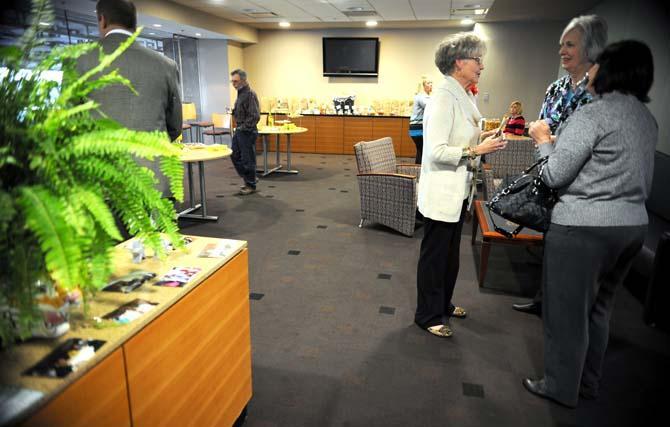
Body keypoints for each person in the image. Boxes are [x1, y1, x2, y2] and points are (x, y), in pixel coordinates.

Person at [523, 40, 657, 408]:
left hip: (584, 227)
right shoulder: (646, 119)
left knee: (566, 313)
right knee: (600, 308)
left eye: (594, 65)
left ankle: (559, 387)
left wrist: (542, 141)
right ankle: (587, 383)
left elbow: (554, 175)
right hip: (632, 227)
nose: (588, 72)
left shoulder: (591, 116)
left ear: (608, 71)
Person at [513, 14, 608, 315]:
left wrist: (551, 139)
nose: (562, 51)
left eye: (570, 45)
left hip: (582, 185)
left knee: (578, 262)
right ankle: (544, 299)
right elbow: (541, 126)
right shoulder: (555, 88)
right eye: (560, 45)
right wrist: (540, 136)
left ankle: (565, 308)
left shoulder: (601, 90)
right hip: (549, 169)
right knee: (550, 243)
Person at [415, 33, 507, 338]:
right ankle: (427, 315)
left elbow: (460, 136)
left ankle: (443, 302)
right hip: (442, 191)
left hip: (458, 193)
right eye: (477, 60)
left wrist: (483, 140)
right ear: (459, 63)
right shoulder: (443, 96)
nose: (482, 66)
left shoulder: (463, 94)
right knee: (435, 257)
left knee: (451, 255)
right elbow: (437, 151)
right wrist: (473, 151)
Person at [77, 0, 182, 198]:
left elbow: (69, 124)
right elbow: (175, 125)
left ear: (102, 20)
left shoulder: (79, 61)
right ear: (134, 23)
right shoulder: (165, 64)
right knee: (156, 230)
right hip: (155, 178)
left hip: (101, 181)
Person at [230, 69, 260, 196]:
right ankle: (250, 177)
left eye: (236, 81)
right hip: (240, 130)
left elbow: (255, 116)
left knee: (248, 159)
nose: (233, 84)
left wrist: (243, 128)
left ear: (243, 80)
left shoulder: (250, 94)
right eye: (232, 81)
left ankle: (250, 184)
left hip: (247, 131)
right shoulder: (240, 94)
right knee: (234, 154)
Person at [408, 76, 432, 164]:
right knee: (423, 150)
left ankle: (417, 170)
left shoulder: (426, 96)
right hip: (417, 127)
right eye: (428, 83)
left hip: (418, 127)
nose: (431, 85)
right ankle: (420, 170)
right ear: (423, 86)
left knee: (420, 150)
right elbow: (430, 106)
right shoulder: (421, 97)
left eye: (431, 83)